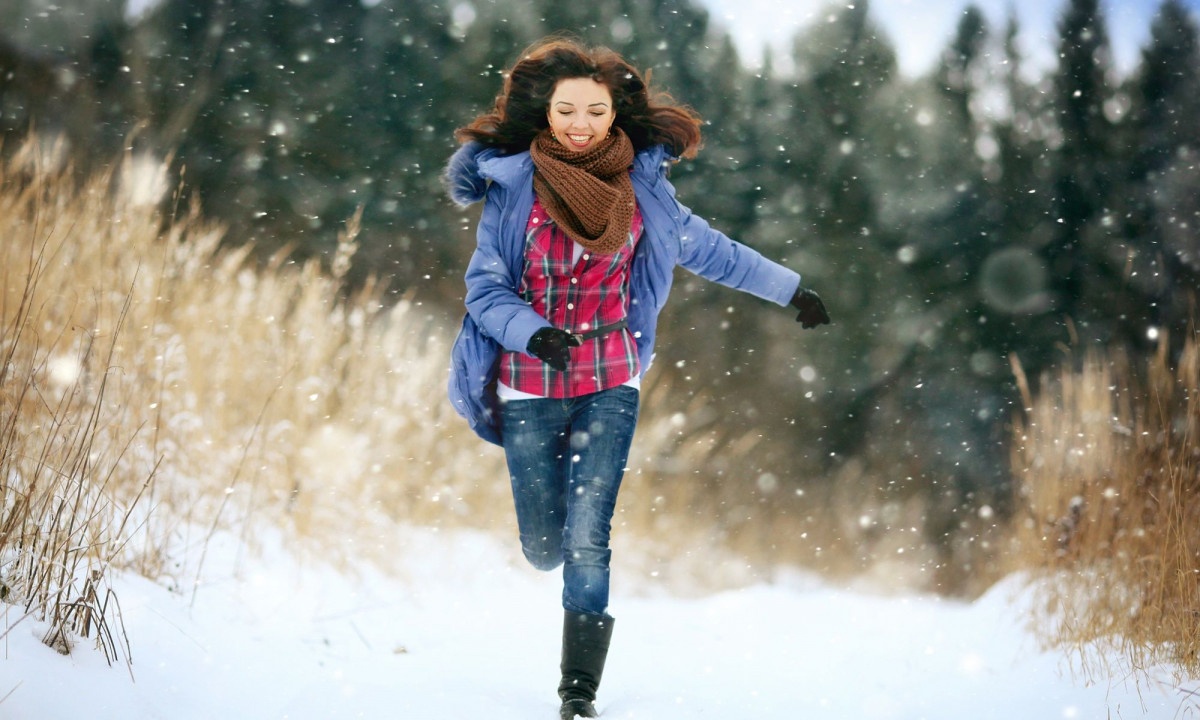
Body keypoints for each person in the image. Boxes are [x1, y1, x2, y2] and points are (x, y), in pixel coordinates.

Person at [443, 36, 829, 720]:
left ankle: (577, 692)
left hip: (610, 380)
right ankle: (557, 586)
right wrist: (534, 333)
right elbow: (485, 292)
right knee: (542, 548)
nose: (581, 123)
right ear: (547, 112)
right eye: (567, 109)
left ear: (615, 114)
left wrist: (791, 289)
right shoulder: (512, 190)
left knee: (590, 536)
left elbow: (715, 253)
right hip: (529, 386)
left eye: (595, 109)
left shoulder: (644, 195)